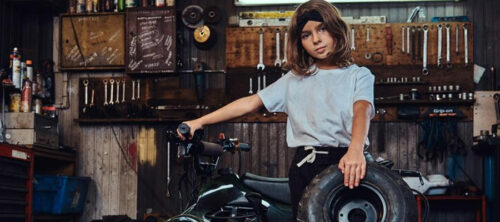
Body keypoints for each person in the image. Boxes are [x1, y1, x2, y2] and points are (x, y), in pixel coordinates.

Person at [178, 0, 374, 220]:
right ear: (299, 43)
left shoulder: (358, 75)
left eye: (322, 29)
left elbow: (362, 110)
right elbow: (250, 102)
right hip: (306, 166)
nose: (316, 39)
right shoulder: (295, 79)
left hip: (348, 163)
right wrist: (199, 122)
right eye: (306, 35)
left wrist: (356, 150)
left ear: (336, 29)